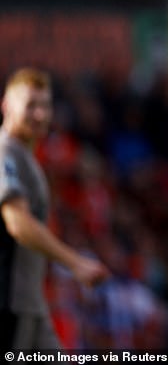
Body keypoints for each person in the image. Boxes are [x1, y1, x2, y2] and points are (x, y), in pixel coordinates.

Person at [0, 67, 111, 351]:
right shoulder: (4, 153)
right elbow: (17, 222)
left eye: (45, 105)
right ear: (6, 106)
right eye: (30, 105)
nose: (39, 114)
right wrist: (74, 262)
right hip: (9, 301)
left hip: (31, 302)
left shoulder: (27, 157)